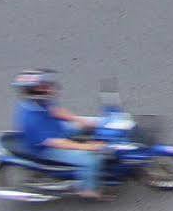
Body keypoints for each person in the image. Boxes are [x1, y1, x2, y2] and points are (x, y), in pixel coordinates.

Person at [11, 71, 106, 200]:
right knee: (90, 160)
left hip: (57, 129)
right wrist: (89, 147)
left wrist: (81, 120)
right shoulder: (31, 119)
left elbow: (55, 111)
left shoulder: (39, 102)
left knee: (95, 123)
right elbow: (57, 143)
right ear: (32, 91)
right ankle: (87, 190)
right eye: (43, 86)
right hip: (46, 148)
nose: (49, 88)